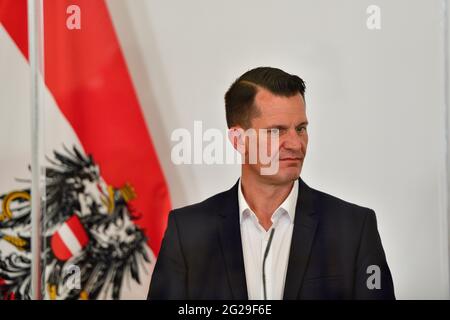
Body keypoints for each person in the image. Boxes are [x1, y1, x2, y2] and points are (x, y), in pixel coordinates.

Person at [148, 66, 395, 300]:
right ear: (238, 140)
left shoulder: (353, 228)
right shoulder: (189, 231)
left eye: (300, 128)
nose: (296, 144)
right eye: (276, 131)